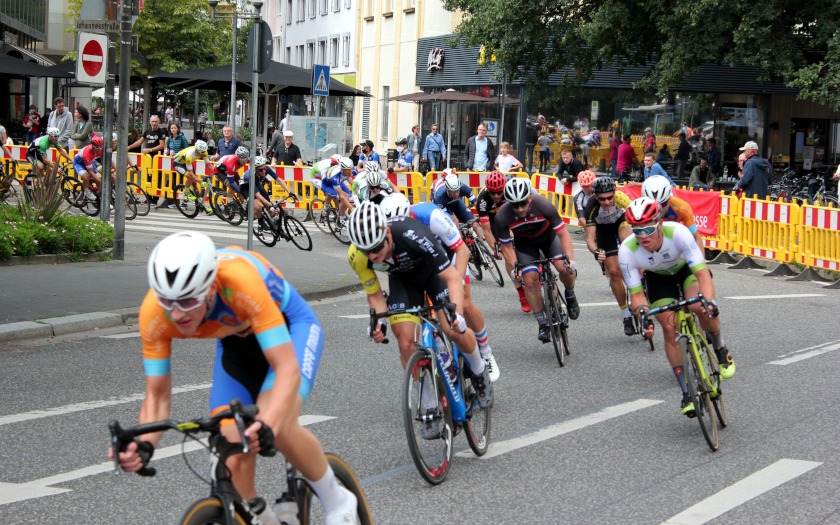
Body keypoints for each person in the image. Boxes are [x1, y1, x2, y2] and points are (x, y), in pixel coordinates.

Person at [115, 232, 358, 525]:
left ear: (210, 288)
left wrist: (269, 422)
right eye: (168, 301)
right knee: (231, 442)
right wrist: (144, 444)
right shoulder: (154, 314)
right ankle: (261, 516)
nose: (177, 314)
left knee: (276, 426)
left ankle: (337, 500)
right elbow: (156, 396)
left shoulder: (241, 283)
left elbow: (286, 369)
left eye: (189, 300)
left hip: (291, 329)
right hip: (236, 345)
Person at [347, 202, 494, 434]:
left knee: (452, 329)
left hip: (433, 273)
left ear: (386, 232)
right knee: (405, 343)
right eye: (368, 252)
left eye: (377, 248)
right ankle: (429, 407)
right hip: (403, 281)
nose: (374, 257)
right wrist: (379, 322)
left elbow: (452, 278)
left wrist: (456, 313)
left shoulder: (413, 234)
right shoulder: (357, 255)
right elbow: (374, 295)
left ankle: (478, 371)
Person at [619, 197, 735, 417]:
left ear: (660, 224)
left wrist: (710, 302)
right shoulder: (628, 250)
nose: (643, 236)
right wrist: (643, 315)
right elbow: (637, 295)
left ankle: (720, 348)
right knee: (670, 329)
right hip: (658, 280)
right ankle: (686, 391)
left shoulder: (678, 233)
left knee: (700, 308)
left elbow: (702, 274)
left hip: (685, 273)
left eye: (648, 229)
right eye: (637, 230)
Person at [380, 193, 500, 382]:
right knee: (421, 311)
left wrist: (458, 282)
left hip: (449, 254)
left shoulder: (431, 216)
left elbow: (462, 250)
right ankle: (441, 354)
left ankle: (486, 353)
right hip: (420, 263)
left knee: (465, 304)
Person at [496, 177, 580, 343]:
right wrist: (515, 268)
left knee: (564, 268)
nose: (519, 209)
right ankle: (542, 322)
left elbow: (563, 234)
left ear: (529, 198)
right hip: (525, 246)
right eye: (515, 205)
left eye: (522, 203)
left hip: (549, 239)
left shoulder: (543, 205)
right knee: (530, 281)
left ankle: (570, 294)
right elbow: (506, 247)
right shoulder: (502, 216)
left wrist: (570, 259)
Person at [583, 177, 634, 335]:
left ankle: (640, 289)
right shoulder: (591, 206)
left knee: (627, 245)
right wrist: (596, 251)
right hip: (603, 231)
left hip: (621, 223)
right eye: (602, 199)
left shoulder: (622, 199)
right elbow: (590, 239)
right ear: (596, 196)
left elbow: (639, 218)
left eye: (609, 197)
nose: (606, 202)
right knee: (613, 272)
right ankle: (626, 316)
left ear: (614, 193)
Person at [476, 170, 531, 313]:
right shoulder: (482, 201)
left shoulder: (509, 194)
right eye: (492, 193)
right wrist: (495, 248)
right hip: (495, 222)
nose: (495, 196)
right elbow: (487, 230)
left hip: (509, 216)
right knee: (507, 254)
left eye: (498, 192)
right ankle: (521, 293)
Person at [642, 175, 705, 257]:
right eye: (652, 205)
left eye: (662, 203)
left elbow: (697, 238)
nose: (659, 209)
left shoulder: (682, 208)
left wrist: (700, 265)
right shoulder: (640, 210)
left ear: (669, 199)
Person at [238, 155, 297, 221]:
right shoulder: (251, 176)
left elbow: (279, 180)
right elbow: (258, 196)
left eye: (264, 168)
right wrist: (270, 205)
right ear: (255, 170)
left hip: (256, 184)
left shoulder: (266, 169)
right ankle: (260, 221)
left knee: (267, 200)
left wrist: (289, 192)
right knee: (259, 208)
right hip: (246, 188)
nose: (263, 171)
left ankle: (272, 222)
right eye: (260, 170)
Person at [174, 140, 212, 213]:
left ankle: (201, 205)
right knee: (190, 177)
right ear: (196, 150)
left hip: (188, 163)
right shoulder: (189, 155)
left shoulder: (204, 152)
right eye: (201, 153)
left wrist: (217, 172)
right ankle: (187, 191)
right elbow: (191, 173)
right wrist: (200, 181)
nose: (203, 155)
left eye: (204, 152)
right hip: (178, 164)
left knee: (195, 187)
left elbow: (209, 165)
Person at [321, 157, 355, 223]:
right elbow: (342, 196)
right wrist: (351, 208)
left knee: (349, 195)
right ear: (342, 170)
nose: (350, 172)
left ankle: (340, 213)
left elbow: (353, 184)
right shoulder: (335, 177)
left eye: (351, 169)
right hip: (327, 185)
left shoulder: (346, 171)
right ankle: (340, 219)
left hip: (338, 182)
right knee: (345, 197)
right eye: (348, 171)